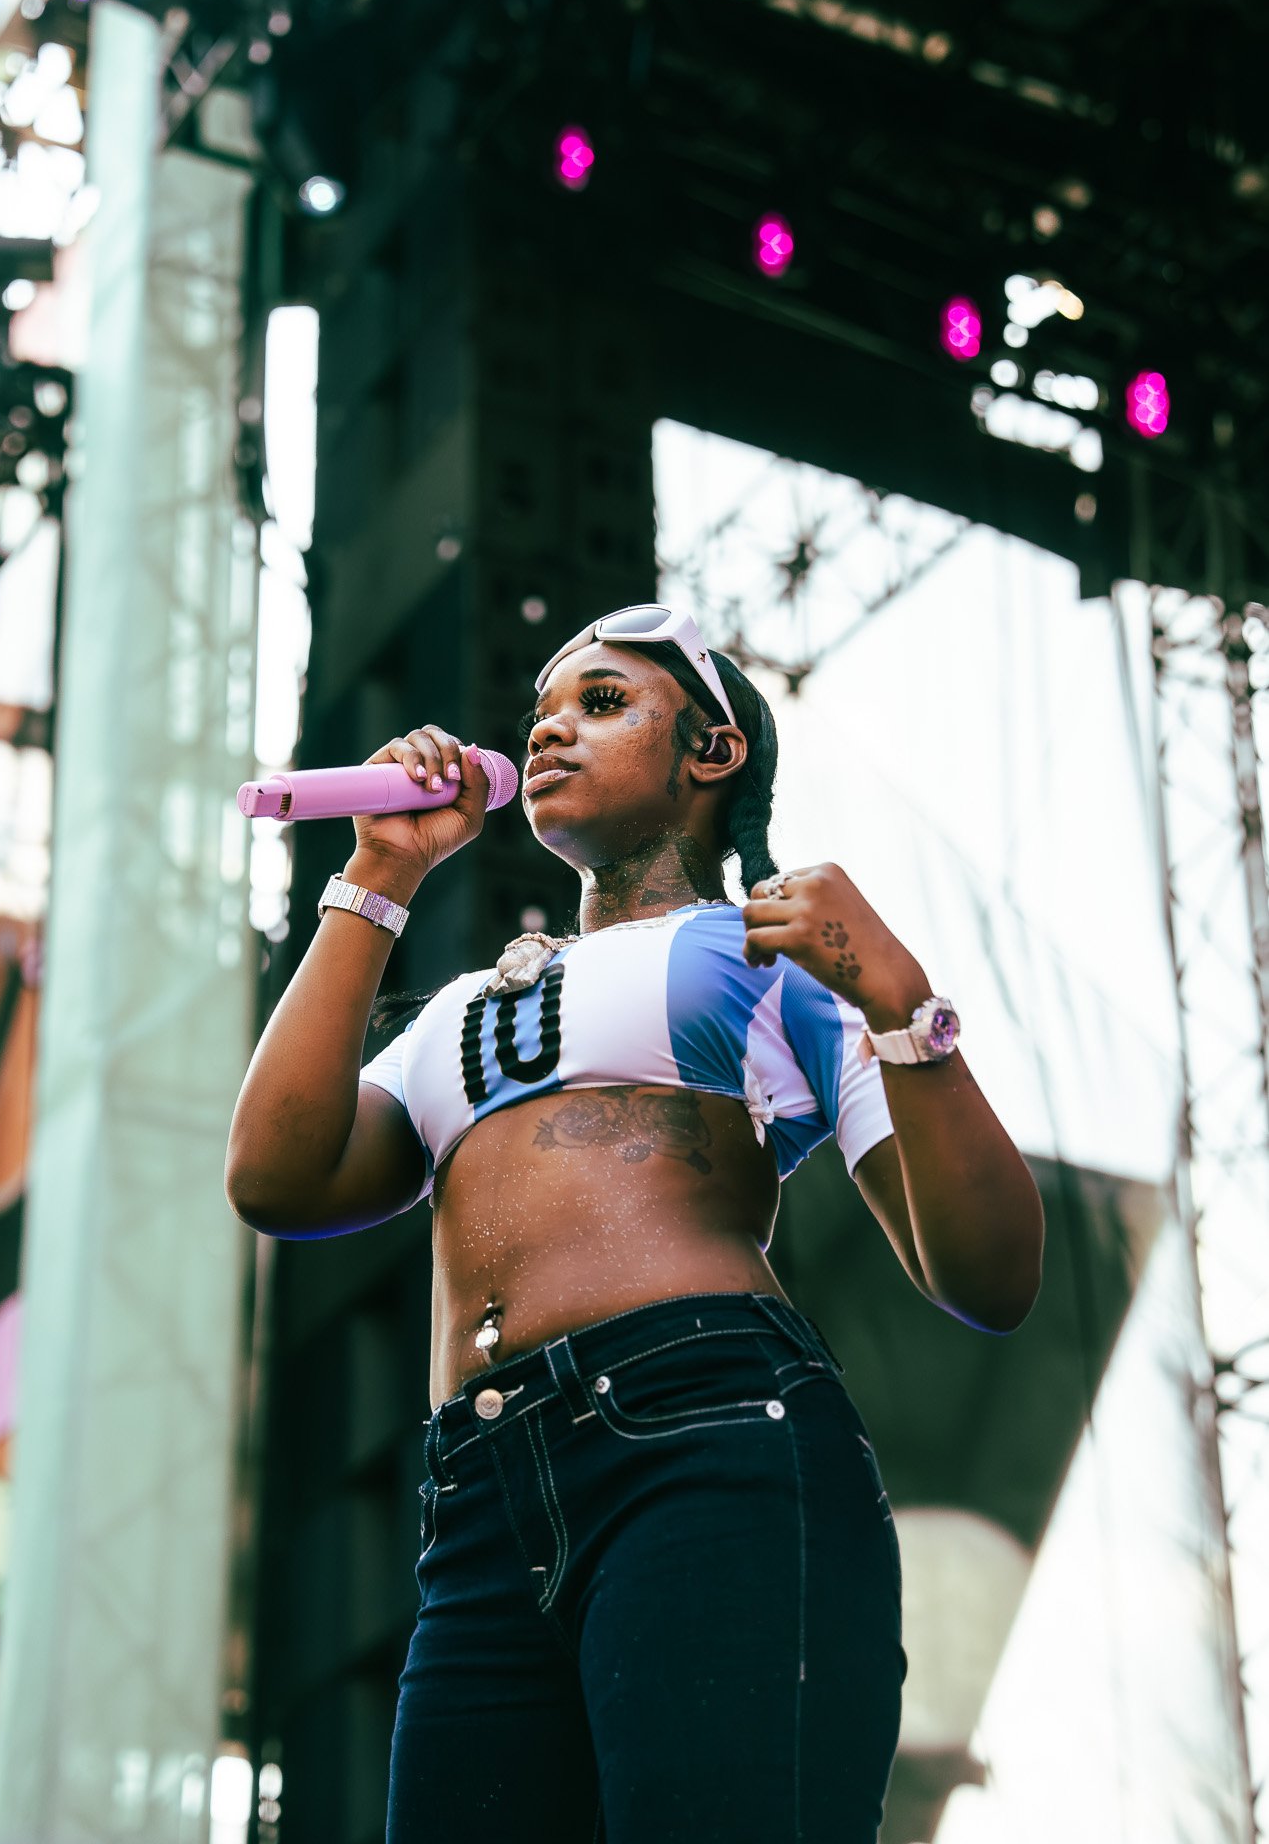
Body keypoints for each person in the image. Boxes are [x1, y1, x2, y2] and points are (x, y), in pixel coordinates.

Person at [225, 603, 1043, 1844]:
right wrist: (379, 870)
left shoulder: (775, 953)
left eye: (602, 702)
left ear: (713, 750)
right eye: (541, 712)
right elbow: (276, 1175)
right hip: (482, 1496)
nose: (551, 728)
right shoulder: (454, 1008)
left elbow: (990, 1270)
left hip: (706, 1432)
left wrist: (900, 998)